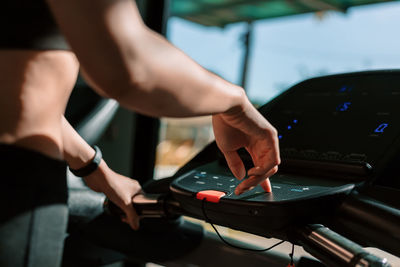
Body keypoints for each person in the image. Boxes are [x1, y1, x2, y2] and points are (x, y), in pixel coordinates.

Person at [0, 0, 280, 266]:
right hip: (15, 178)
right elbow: (128, 64)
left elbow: (16, 97)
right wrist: (235, 103)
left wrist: (96, 169)